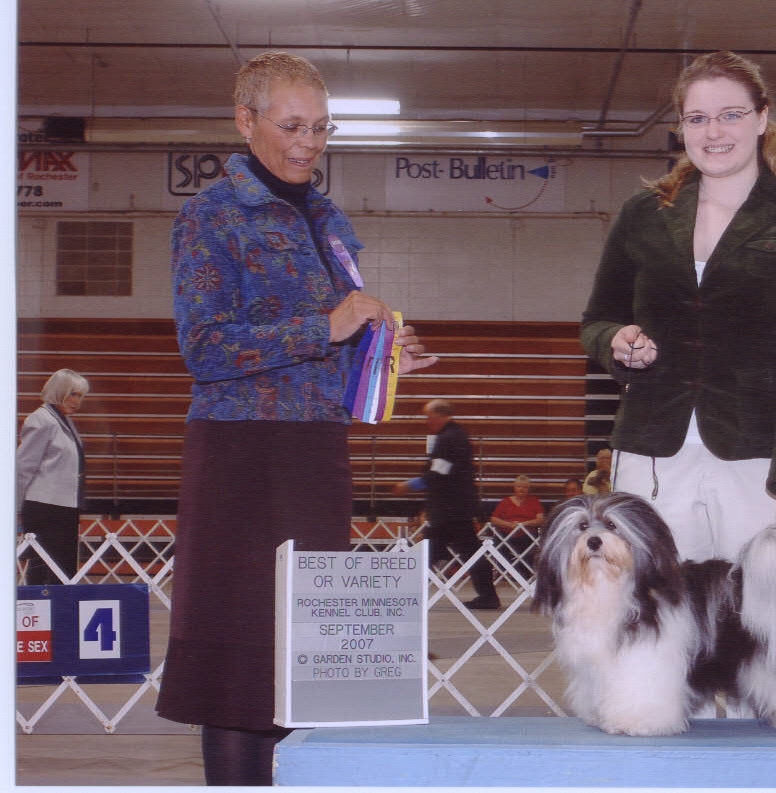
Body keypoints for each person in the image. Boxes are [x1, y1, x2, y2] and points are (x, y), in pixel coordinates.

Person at [155, 51, 436, 786]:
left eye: (320, 126)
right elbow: (204, 346)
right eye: (291, 125)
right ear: (244, 122)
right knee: (239, 660)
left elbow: (334, 335)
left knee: (300, 654)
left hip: (314, 452)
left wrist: (380, 348)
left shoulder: (328, 220)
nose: (308, 141)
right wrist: (327, 327)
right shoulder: (211, 215)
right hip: (241, 454)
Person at [580, 51, 776, 563]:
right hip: (651, 454)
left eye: (731, 114)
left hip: (759, 461)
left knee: (763, 634)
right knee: (653, 628)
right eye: (697, 118)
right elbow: (597, 321)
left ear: (762, 118)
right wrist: (616, 342)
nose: (713, 131)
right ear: (681, 128)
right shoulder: (643, 214)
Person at [394, 399, 500, 610]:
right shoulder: (456, 435)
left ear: (440, 416)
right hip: (455, 509)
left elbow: (438, 473)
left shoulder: (448, 439)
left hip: (451, 510)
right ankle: (488, 596)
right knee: (464, 552)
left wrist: (410, 485)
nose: (427, 421)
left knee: (431, 551)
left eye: (429, 417)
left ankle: (403, 594)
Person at [16, 368, 89, 585]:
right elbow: (23, 466)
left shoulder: (64, 421)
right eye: (73, 394)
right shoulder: (41, 420)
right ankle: (42, 614)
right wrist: (15, 507)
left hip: (65, 506)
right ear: (58, 391)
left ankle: (59, 615)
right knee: (45, 569)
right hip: (45, 506)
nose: (77, 401)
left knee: (64, 569)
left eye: (81, 396)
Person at [488, 475, 545, 572]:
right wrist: (509, 525)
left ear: (528, 489)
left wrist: (524, 524)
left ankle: (521, 573)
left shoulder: (534, 501)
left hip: (527, 536)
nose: (521, 489)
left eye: (525, 487)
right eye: (519, 486)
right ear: (514, 487)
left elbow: (541, 519)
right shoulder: (505, 502)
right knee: (498, 543)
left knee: (533, 549)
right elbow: (494, 519)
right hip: (506, 535)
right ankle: (508, 571)